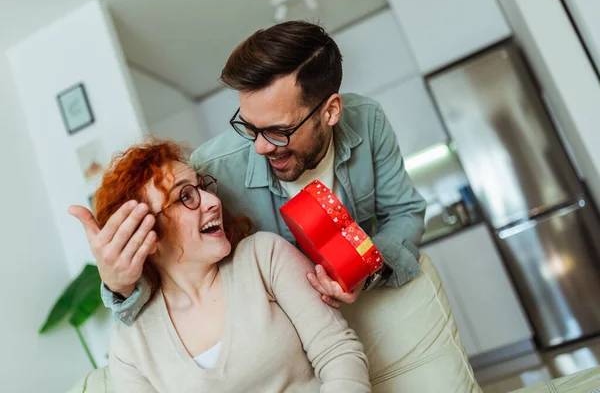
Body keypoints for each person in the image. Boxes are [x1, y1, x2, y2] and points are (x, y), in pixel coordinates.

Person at [70, 21, 482, 392]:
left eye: (278, 131)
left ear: (330, 111)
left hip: (342, 319)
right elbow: (173, 248)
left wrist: (365, 269)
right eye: (249, 126)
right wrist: (118, 285)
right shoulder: (213, 169)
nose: (260, 146)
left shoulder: (367, 122)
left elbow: (405, 213)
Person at [76, 140, 370, 392]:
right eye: (186, 197)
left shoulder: (263, 257)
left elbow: (339, 355)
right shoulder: (131, 341)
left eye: (202, 187)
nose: (212, 201)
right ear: (145, 236)